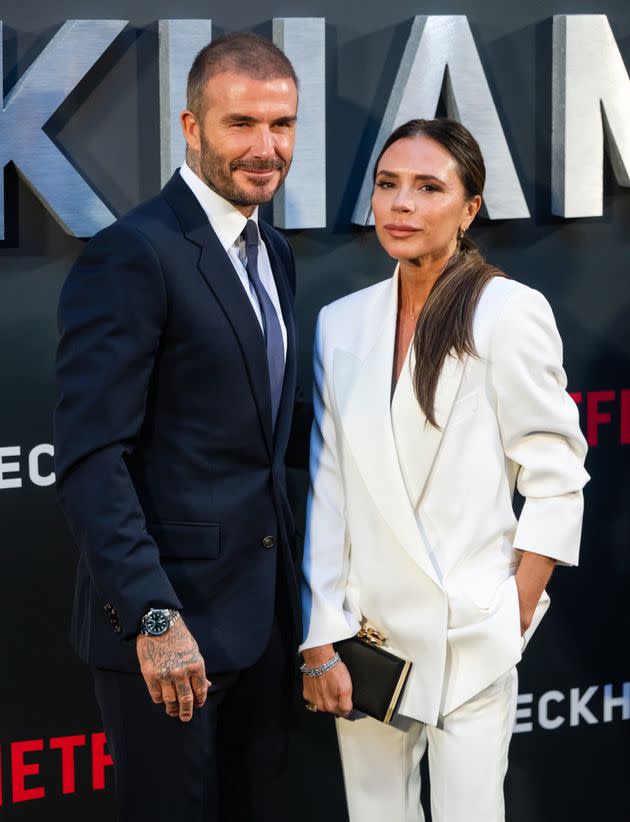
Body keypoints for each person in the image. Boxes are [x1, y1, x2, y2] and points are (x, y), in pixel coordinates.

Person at [299, 118, 588, 822]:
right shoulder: (341, 323)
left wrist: (509, 611)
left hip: (470, 638)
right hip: (366, 640)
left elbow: (556, 472)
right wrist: (319, 636)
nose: (401, 204)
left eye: (428, 187)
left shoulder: (508, 312)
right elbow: (328, 487)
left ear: (469, 208)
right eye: (388, 185)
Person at [55, 32, 307, 822]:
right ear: (191, 127)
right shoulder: (134, 254)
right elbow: (95, 458)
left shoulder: (273, 252)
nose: (266, 149)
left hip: (263, 625)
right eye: (241, 124)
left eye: (283, 125)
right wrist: (156, 620)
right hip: (171, 637)